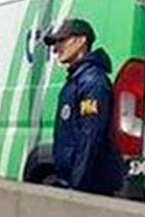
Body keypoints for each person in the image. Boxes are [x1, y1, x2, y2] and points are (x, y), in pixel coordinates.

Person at [43, 18, 124, 196]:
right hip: (73, 181)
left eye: (62, 41)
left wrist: (78, 186)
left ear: (81, 42)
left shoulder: (92, 82)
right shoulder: (76, 80)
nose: (56, 48)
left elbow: (90, 136)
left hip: (90, 186)